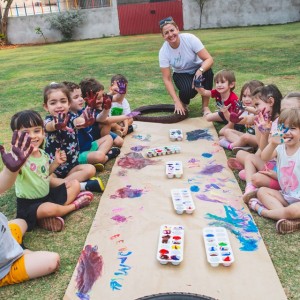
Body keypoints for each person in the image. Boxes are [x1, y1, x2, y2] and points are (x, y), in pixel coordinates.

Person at [10, 110, 94, 232]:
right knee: (48, 210)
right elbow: (13, 173)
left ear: (43, 133)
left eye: (37, 131)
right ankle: (73, 206)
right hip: (30, 205)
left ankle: (48, 217)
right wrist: (17, 159)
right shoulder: (19, 158)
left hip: (47, 196)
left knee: (75, 184)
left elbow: (45, 174)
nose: (33, 136)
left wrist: (56, 162)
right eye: (26, 133)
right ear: (16, 136)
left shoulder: (43, 154)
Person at [0, 130, 60, 286]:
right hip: (4, 268)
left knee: (21, 221)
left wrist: (10, 169)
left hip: (6, 237)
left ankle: (16, 247)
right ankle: (17, 252)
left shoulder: (42, 154)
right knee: (52, 261)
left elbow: (3, 184)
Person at [43, 82, 104, 192]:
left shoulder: (71, 117)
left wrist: (88, 111)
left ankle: (64, 185)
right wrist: (56, 124)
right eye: (53, 103)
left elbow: (78, 121)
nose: (59, 105)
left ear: (69, 103)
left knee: (91, 169)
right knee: (46, 180)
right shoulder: (48, 121)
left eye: (63, 101)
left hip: (72, 167)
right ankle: (81, 186)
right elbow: (49, 127)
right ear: (46, 107)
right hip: (54, 169)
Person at [248, 108, 300, 234]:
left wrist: (262, 211)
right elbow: (264, 157)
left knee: (293, 211)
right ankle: (289, 219)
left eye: (292, 128)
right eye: (284, 128)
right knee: (262, 192)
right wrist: (272, 144)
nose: (287, 132)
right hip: (286, 196)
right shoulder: (280, 147)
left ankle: (264, 212)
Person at [158, 16, 214, 116]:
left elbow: (209, 59)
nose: (170, 34)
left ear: (177, 29)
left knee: (208, 72)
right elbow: (166, 79)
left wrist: (199, 71)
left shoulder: (190, 39)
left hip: (198, 68)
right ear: (163, 36)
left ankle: (205, 107)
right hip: (181, 73)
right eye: (166, 33)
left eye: (172, 30)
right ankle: (183, 102)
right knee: (187, 91)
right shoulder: (163, 51)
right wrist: (176, 101)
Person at [63, 81, 120, 171]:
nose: (81, 99)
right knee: (100, 156)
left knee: (108, 138)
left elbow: (99, 117)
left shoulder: (80, 111)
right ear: (66, 101)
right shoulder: (68, 117)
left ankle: (97, 158)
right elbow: (79, 122)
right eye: (76, 97)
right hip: (79, 154)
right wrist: (89, 107)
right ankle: (105, 158)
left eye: (81, 96)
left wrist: (105, 108)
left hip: (90, 146)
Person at [80, 78, 129, 148]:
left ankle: (113, 134)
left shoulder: (103, 98)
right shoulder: (90, 110)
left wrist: (122, 92)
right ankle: (104, 144)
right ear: (86, 99)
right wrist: (127, 116)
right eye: (96, 98)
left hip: (103, 131)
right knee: (107, 124)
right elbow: (107, 120)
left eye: (100, 97)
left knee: (120, 142)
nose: (99, 100)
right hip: (94, 135)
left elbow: (118, 98)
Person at [219, 80, 264, 152]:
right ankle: (245, 147)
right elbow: (237, 120)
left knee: (245, 137)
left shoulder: (260, 110)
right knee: (227, 131)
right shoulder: (243, 111)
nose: (246, 99)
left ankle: (231, 146)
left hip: (259, 140)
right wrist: (225, 112)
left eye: (250, 96)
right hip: (247, 137)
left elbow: (254, 113)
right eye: (244, 96)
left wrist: (245, 108)